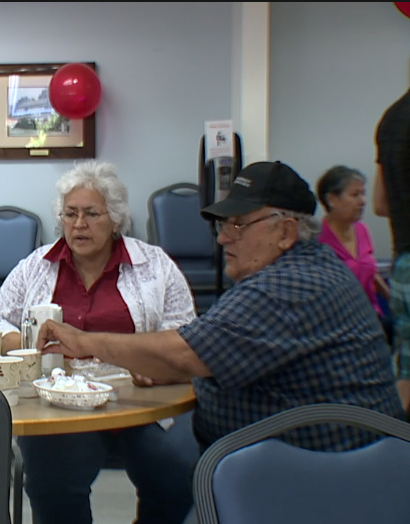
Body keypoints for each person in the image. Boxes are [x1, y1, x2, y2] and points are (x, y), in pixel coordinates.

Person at [37, 161, 404, 463]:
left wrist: (82, 342)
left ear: (286, 231)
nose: (223, 237)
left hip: (321, 477)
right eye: (223, 225)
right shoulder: (294, 269)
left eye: (238, 225)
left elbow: (185, 352)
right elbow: (207, 349)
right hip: (294, 459)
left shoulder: (287, 287)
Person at [0, 160, 201, 524]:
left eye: (91, 214)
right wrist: (20, 344)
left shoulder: (154, 265)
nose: (79, 224)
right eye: (70, 213)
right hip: (60, 400)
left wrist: (154, 365)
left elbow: (183, 331)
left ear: (116, 219)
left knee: (177, 470)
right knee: (49, 483)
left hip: (144, 397)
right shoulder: (36, 266)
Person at [316, 166, 391, 342]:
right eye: (355, 195)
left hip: (370, 317)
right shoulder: (317, 240)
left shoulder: (362, 230)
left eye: (363, 194)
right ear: (332, 199)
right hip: (338, 327)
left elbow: (372, 272)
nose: (363, 201)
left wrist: (393, 300)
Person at [374, 88, 410, 415]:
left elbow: (381, 204)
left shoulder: (392, 119)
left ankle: (395, 439)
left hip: (403, 266)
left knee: (406, 373)